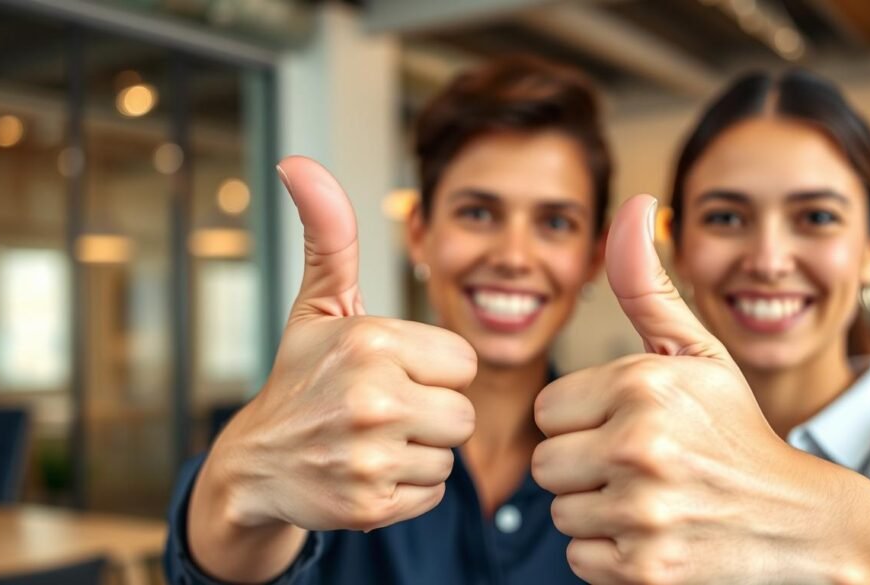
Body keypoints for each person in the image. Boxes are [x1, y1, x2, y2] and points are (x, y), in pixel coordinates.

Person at [531, 69, 870, 584]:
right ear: (681, 247)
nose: (769, 261)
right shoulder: (619, 466)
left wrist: (804, 515)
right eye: (727, 219)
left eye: (817, 217)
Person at [164, 55, 613, 584]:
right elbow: (219, 552)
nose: (514, 256)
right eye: (478, 212)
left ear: (593, 256)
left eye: (555, 222)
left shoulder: (628, 469)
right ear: (419, 233)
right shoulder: (330, 435)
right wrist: (236, 487)